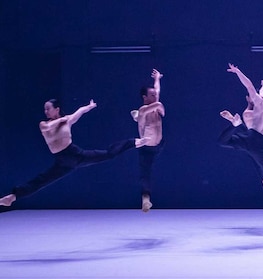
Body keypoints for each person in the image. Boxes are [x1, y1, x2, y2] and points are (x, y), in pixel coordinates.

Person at [1, 99, 146, 207]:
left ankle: (133, 142)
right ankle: (13, 196)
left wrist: (88, 107)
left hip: (76, 155)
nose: (46, 112)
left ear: (56, 109)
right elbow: (49, 127)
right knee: (41, 180)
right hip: (62, 162)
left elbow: (79, 112)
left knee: (109, 154)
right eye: (45, 110)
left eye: (48, 109)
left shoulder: (67, 121)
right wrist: (65, 118)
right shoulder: (44, 124)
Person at [218, 64, 263, 204]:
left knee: (223, 142)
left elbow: (249, 86)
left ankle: (235, 125)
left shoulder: (258, 102)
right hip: (259, 142)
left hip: (249, 137)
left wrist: (238, 71)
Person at [130, 69, 165, 212]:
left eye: (155, 95)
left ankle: (134, 116)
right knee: (145, 174)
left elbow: (157, 90)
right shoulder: (144, 109)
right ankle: (146, 198)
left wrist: (157, 78)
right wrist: (139, 115)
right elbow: (158, 105)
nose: (155, 96)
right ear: (145, 97)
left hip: (159, 145)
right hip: (147, 148)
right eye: (152, 95)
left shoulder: (155, 104)